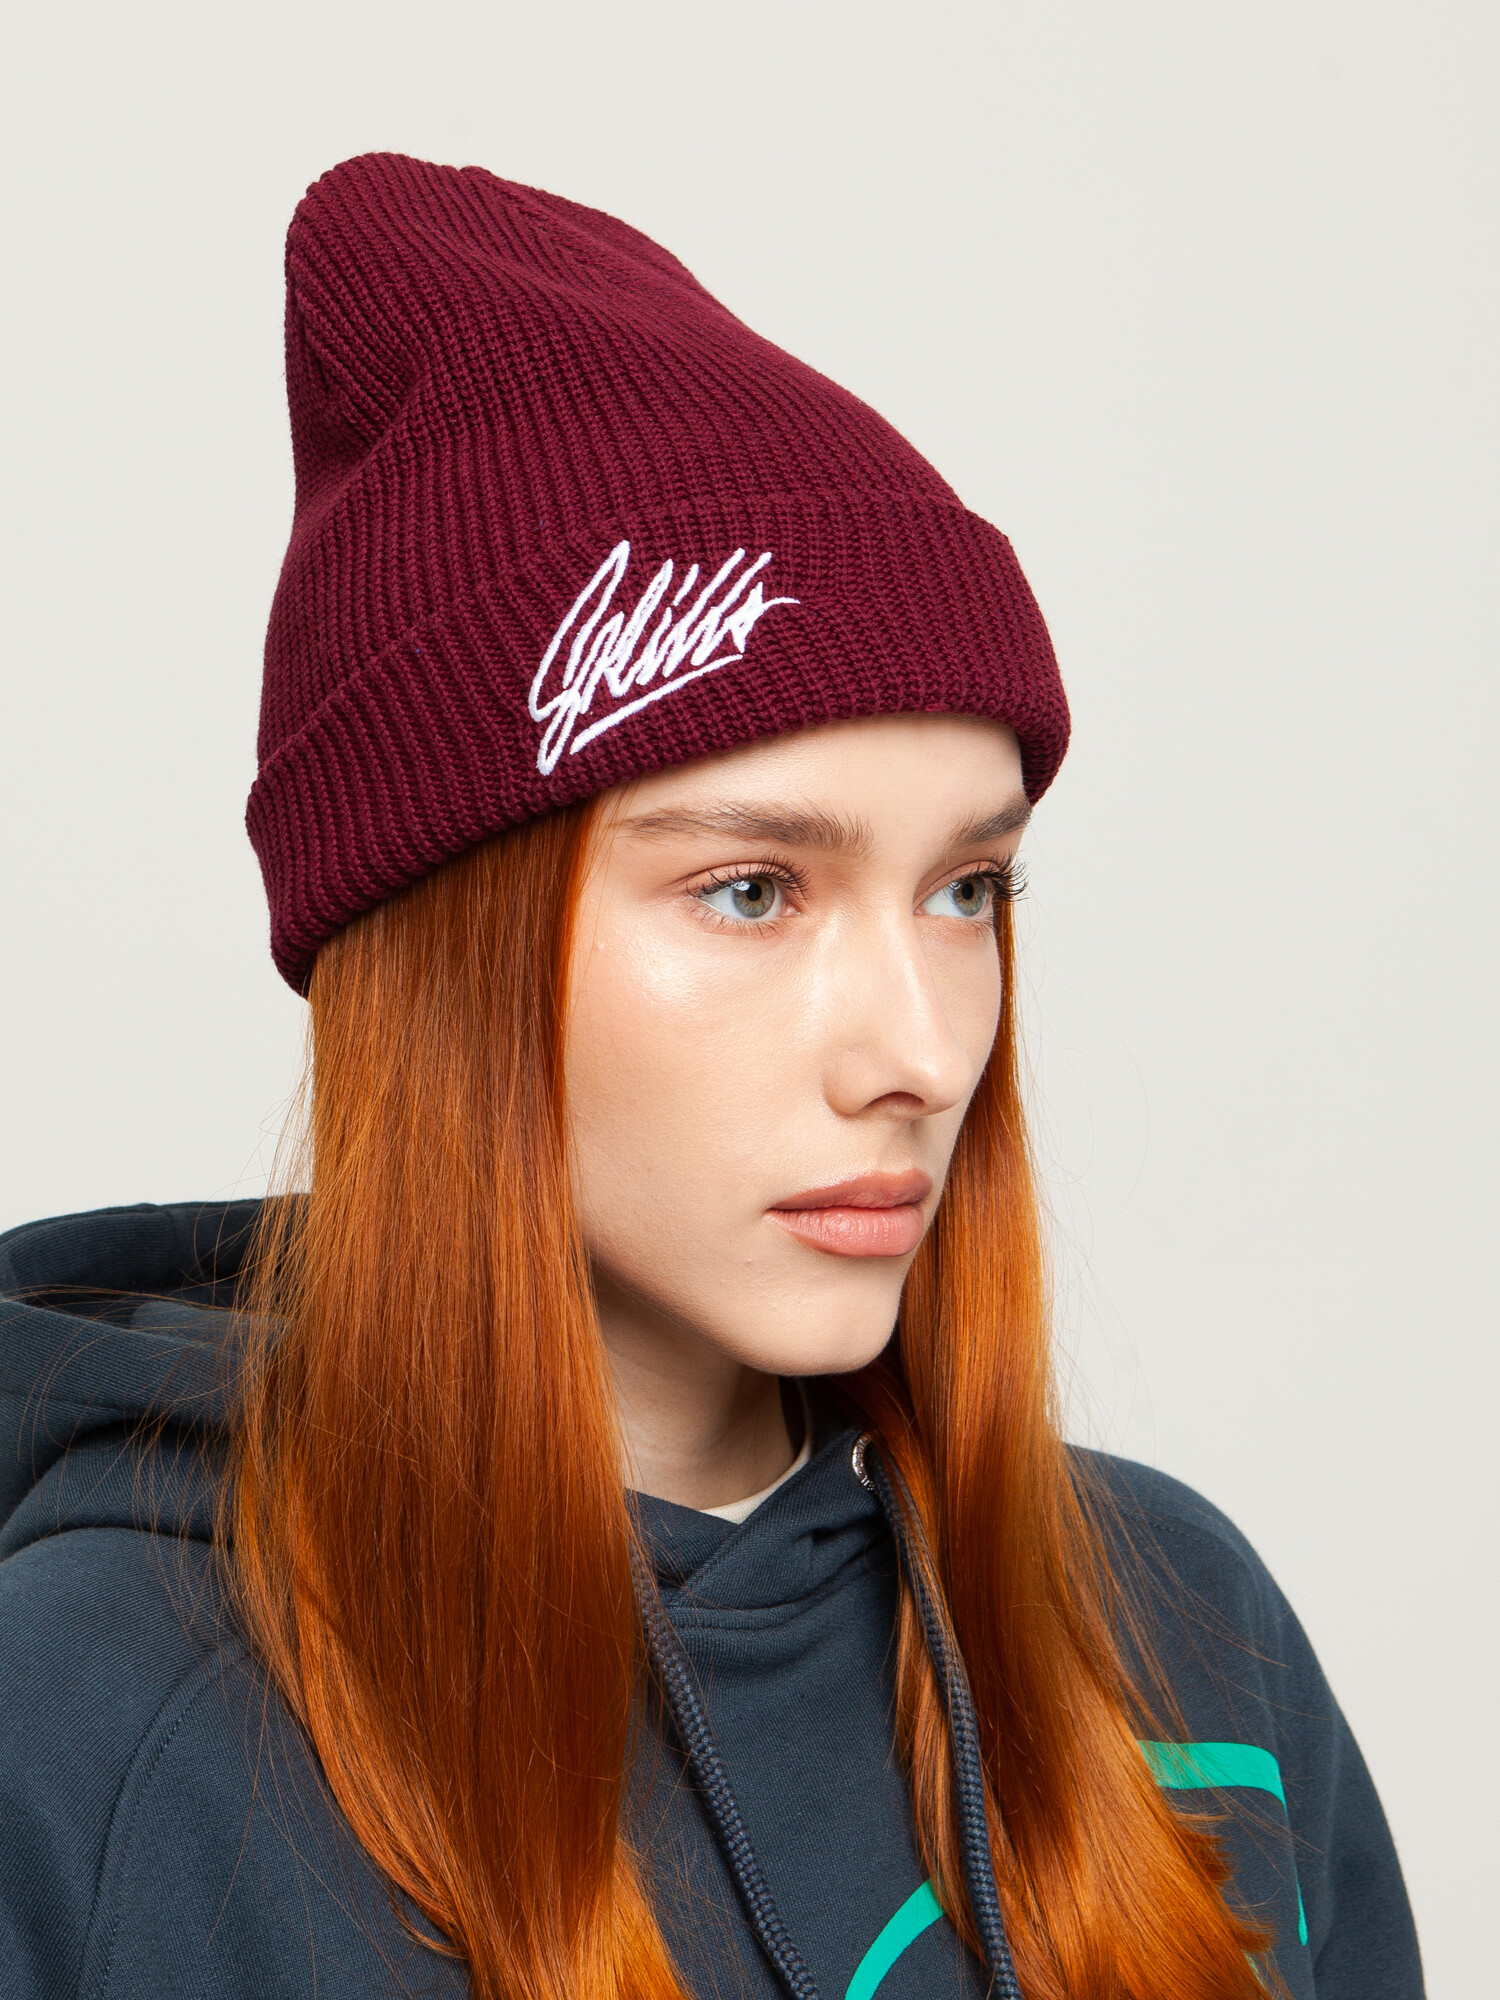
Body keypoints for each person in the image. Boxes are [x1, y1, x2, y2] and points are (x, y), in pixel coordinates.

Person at [0, 153, 1422, 2000]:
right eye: (752, 890)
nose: (922, 1053)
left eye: (968, 889)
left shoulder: (1180, 1635)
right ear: (443, 962)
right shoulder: (87, 1733)